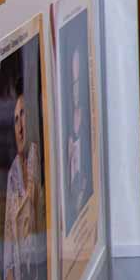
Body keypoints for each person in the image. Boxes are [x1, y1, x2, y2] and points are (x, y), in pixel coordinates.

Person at [3, 87, 46, 280]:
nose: (19, 126)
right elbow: (8, 248)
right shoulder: (12, 174)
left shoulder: (39, 160)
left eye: (23, 115)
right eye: (15, 119)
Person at [63, 43, 93, 229]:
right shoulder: (67, 126)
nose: (76, 90)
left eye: (79, 82)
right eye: (73, 83)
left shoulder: (89, 122)